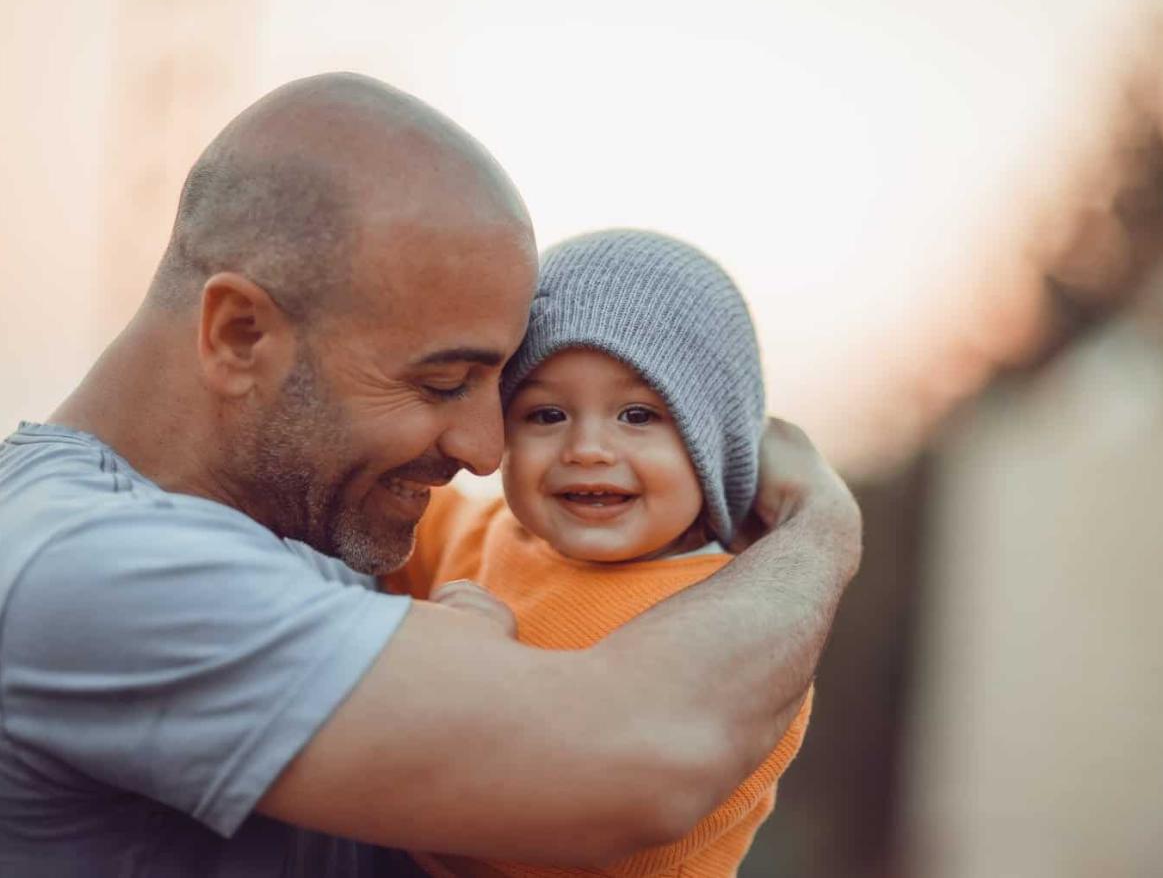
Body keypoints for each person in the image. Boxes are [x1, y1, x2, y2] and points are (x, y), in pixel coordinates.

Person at [0, 73, 861, 877]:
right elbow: (644, 752)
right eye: (441, 383)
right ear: (239, 335)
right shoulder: (88, 568)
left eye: (499, 387)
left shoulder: (280, 522)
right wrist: (820, 524)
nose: (487, 451)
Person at [387, 228, 812, 878]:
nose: (588, 448)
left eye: (638, 416)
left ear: (716, 441)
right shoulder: (490, 532)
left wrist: (472, 667)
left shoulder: (738, 626)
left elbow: (607, 837)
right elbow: (371, 519)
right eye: (546, 415)